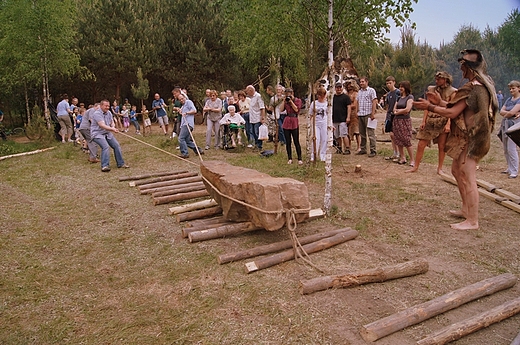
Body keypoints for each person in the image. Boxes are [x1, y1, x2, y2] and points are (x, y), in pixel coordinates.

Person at [414, 49, 498, 230]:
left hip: (473, 138)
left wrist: (430, 106)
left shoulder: (475, 88)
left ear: (470, 67)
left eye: (463, 65)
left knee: (468, 176)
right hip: (468, 138)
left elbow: (452, 113)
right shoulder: (475, 86)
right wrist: (437, 102)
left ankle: (473, 221)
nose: (461, 68)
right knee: (456, 171)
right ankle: (466, 209)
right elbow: (455, 107)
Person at [407, 72, 457, 174]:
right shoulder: (432, 90)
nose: (436, 81)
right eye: (436, 79)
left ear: (445, 80)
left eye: (439, 79)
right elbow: (427, 106)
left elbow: (452, 109)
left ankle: (440, 168)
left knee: (442, 146)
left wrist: (448, 124)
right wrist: (423, 121)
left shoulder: (453, 92)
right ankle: (415, 166)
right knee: (421, 143)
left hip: (443, 119)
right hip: (431, 119)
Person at [90, 99, 129, 172]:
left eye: (108, 106)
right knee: (105, 146)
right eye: (106, 106)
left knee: (116, 145)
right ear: (101, 106)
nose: (107, 107)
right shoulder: (97, 114)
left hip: (107, 132)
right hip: (97, 134)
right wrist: (112, 129)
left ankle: (120, 163)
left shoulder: (109, 113)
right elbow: (102, 125)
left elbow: (112, 122)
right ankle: (104, 166)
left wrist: (113, 126)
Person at [498, 80, 520, 179]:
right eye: (510, 88)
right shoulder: (508, 99)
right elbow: (501, 110)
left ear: (518, 88)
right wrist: (508, 113)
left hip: (515, 125)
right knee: (506, 148)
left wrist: (507, 114)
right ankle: (509, 168)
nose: (511, 90)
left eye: (513, 88)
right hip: (506, 124)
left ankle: (514, 171)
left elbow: (511, 113)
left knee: (512, 148)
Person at [392, 81, 414, 166]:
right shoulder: (399, 98)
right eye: (400, 86)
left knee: (406, 140)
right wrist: (399, 111)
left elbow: (407, 109)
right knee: (398, 140)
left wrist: (398, 112)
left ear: (406, 88)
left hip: (405, 121)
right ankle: (402, 157)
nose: (400, 88)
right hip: (397, 121)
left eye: (402, 87)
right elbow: (394, 109)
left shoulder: (410, 97)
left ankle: (412, 160)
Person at [357, 77, 378, 157]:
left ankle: (373, 150)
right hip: (361, 114)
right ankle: (363, 149)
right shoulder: (359, 92)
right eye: (360, 82)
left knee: (370, 133)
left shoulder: (371, 90)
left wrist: (373, 113)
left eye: (362, 82)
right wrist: (357, 112)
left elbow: (374, 102)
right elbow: (358, 102)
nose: (361, 83)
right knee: (362, 133)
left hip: (368, 114)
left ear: (366, 82)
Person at [178, 94, 204, 158]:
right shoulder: (183, 105)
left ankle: (185, 153)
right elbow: (181, 112)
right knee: (187, 141)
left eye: (182, 98)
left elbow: (194, 110)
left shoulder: (188, 102)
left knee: (181, 138)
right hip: (185, 124)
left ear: (185, 97)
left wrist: (186, 113)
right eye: (180, 99)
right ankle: (199, 150)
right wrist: (180, 111)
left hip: (188, 124)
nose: (181, 100)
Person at [282, 88, 303, 164]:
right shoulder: (286, 101)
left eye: (289, 93)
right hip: (287, 120)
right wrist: (284, 101)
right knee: (288, 141)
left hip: (294, 120)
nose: (288, 95)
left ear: (292, 93)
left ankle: (299, 158)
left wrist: (291, 102)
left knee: (296, 141)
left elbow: (297, 110)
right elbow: (281, 110)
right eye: (286, 94)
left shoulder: (298, 100)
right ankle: (289, 158)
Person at [308, 86, 328, 161]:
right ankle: (313, 155)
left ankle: (322, 155)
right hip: (316, 123)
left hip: (324, 122)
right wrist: (309, 124)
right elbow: (310, 114)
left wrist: (330, 125)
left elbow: (329, 115)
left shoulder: (327, 104)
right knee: (316, 139)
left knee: (324, 139)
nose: (321, 97)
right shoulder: (314, 103)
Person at [383, 76, 400, 160]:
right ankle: (395, 152)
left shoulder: (398, 92)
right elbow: (388, 106)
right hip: (390, 116)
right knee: (391, 135)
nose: (388, 85)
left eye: (390, 83)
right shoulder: (388, 94)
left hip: (397, 115)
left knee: (395, 135)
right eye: (387, 83)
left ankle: (399, 153)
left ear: (394, 82)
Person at [332, 82, 351, 154]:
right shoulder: (333, 97)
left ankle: (347, 148)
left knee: (343, 134)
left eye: (340, 87)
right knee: (337, 135)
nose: (339, 89)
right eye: (337, 87)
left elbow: (349, 107)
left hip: (343, 119)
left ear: (342, 88)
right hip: (335, 119)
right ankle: (339, 148)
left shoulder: (346, 97)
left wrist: (348, 117)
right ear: (335, 88)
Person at [245, 85, 266, 150]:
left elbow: (262, 108)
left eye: (247, 92)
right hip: (252, 117)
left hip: (257, 117)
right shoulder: (249, 97)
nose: (247, 93)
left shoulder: (258, 96)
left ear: (251, 91)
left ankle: (259, 146)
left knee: (257, 132)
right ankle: (255, 144)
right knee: (253, 132)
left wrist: (262, 117)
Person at [346, 80, 360, 152]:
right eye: (348, 86)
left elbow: (355, 105)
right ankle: (349, 146)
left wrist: (347, 106)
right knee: (348, 131)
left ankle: (359, 146)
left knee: (357, 131)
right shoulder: (346, 94)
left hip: (354, 114)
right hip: (347, 114)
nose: (349, 87)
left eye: (350, 86)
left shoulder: (356, 94)